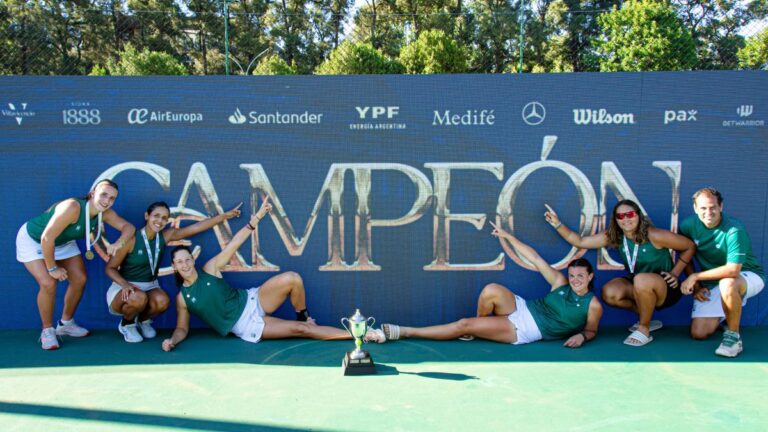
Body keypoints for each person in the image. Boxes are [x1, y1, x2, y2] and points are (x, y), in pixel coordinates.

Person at [162, 197, 363, 351]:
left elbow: (235, 244)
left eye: (187, 259)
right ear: (174, 266)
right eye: (180, 262)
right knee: (303, 331)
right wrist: (172, 340)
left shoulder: (209, 268)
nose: (185, 264)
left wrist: (256, 218)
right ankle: (361, 334)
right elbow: (182, 329)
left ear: (193, 259)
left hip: (251, 299)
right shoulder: (183, 299)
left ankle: (303, 315)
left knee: (293, 278)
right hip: (245, 324)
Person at [372, 222, 602, 348]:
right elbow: (535, 259)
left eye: (580, 276)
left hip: (528, 330)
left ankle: (406, 332)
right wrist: (508, 237)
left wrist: (582, 337)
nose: (575, 280)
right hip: (522, 309)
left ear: (590, 277)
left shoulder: (593, 305)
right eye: (572, 275)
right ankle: (480, 327)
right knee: (491, 289)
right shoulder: (560, 282)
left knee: (463, 324)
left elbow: (591, 330)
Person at [544, 200, 695, 346]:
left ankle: (644, 329)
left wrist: (675, 273)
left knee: (641, 280)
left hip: (667, 288)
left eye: (630, 214)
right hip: (638, 284)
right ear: (616, 220)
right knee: (609, 292)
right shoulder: (615, 236)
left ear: (638, 215)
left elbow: (689, 246)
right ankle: (647, 318)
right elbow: (581, 241)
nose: (626, 219)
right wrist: (557, 224)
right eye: (620, 216)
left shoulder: (654, 235)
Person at [16, 179, 135, 350]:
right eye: (104, 195)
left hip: (63, 243)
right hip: (35, 240)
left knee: (79, 278)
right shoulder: (72, 207)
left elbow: (128, 228)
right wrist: (52, 267)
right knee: (49, 282)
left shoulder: (105, 212)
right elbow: (46, 238)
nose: (107, 201)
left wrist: (119, 243)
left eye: (112, 198)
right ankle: (47, 330)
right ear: (93, 193)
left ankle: (65, 324)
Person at [105, 201, 244, 343]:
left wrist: (224, 216)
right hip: (124, 287)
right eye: (156, 216)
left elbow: (195, 228)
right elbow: (109, 268)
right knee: (138, 297)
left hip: (149, 285)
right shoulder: (132, 240)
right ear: (147, 216)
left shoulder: (165, 236)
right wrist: (125, 284)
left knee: (163, 301)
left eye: (164, 218)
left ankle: (142, 320)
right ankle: (127, 324)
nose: (160, 221)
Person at [679, 187, 765, 358]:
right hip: (713, 282)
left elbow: (733, 270)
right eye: (703, 208)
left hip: (748, 276)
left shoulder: (734, 229)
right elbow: (685, 254)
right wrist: (696, 287)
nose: (708, 212)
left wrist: (695, 276)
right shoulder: (688, 226)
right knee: (699, 333)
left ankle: (733, 338)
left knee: (728, 282)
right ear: (696, 209)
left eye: (713, 207)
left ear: (721, 207)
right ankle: (726, 316)